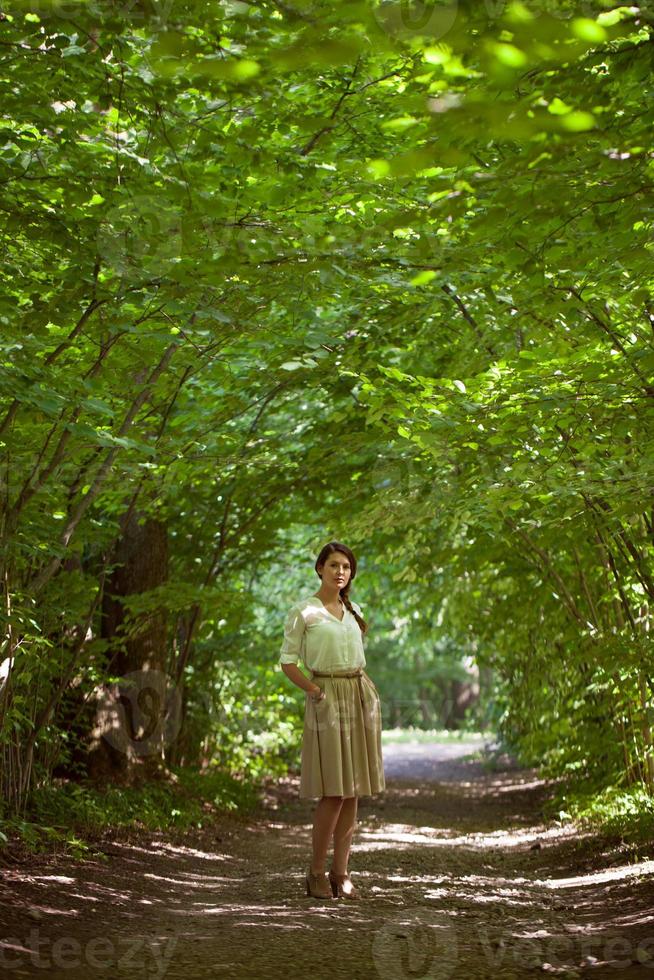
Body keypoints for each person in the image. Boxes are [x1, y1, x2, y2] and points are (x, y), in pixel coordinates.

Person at [278, 541, 385, 901]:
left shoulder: (355, 610)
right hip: (325, 696)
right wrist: (315, 691)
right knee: (334, 790)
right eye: (334, 565)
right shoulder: (303, 611)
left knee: (353, 788)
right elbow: (288, 662)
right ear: (320, 568)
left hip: (358, 694)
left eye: (346, 567)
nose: (340, 571)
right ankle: (316, 872)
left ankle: (342, 872)